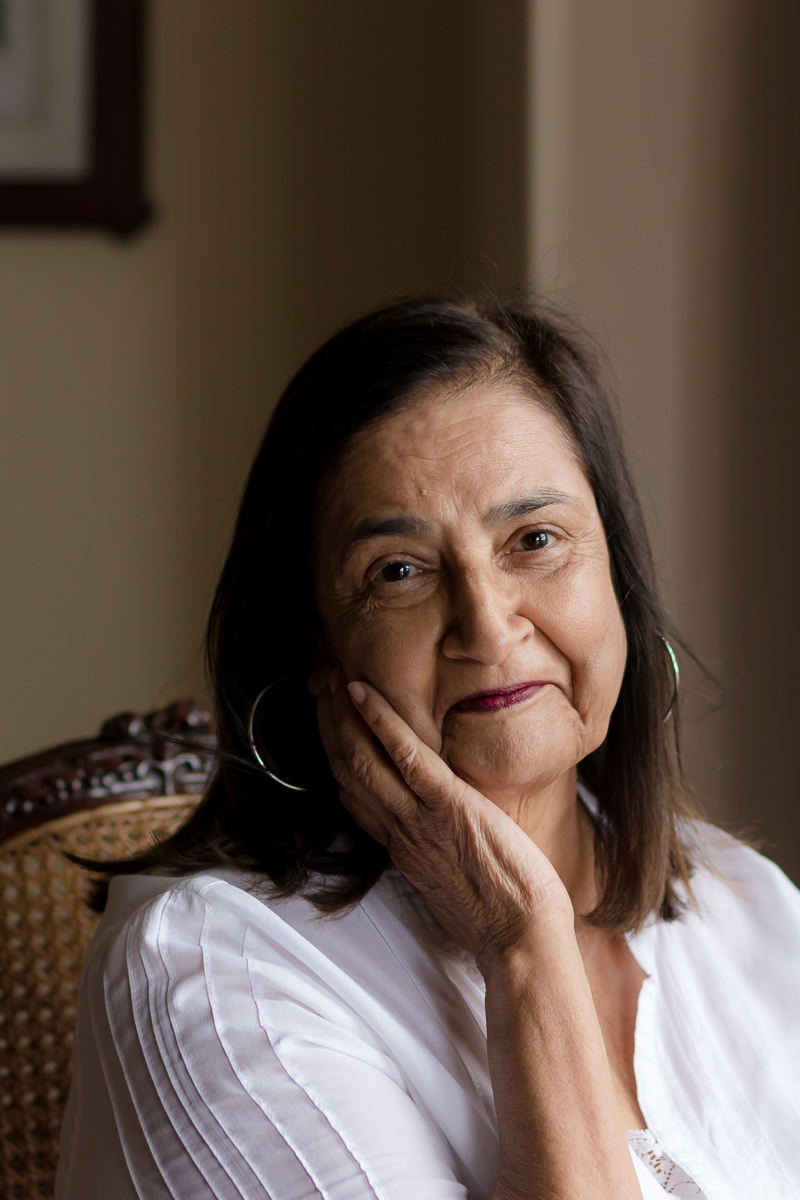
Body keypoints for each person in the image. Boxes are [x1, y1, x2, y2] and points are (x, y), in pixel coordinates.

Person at [56, 297, 800, 1200]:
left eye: (536, 540)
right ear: (314, 644)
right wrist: (523, 946)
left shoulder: (749, 910)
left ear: (621, 582)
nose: (487, 626)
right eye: (398, 572)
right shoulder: (209, 976)